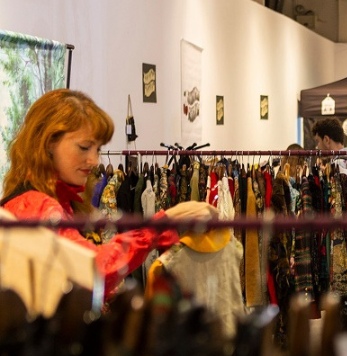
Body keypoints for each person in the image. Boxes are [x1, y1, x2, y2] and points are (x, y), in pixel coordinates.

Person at [0, 88, 217, 298]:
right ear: (48, 144)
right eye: (84, 147)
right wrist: (161, 224)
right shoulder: (37, 205)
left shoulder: (55, 200)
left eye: (98, 149)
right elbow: (92, 271)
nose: (94, 161)